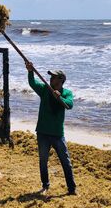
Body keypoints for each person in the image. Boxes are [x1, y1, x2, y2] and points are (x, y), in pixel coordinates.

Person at [25, 61, 76, 196]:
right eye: (50, 77)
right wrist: (30, 71)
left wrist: (60, 98)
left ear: (61, 80)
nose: (51, 79)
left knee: (66, 162)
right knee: (43, 160)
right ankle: (45, 185)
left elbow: (69, 105)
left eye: (53, 77)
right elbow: (33, 83)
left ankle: (72, 190)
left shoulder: (67, 93)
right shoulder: (44, 90)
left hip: (57, 134)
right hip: (42, 132)